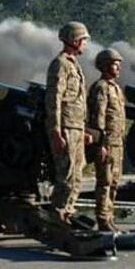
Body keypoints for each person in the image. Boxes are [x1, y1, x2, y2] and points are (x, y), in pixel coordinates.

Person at [44, 21, 90, 224]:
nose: (85, 44)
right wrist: (55, 131)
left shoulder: (74, 65)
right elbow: (54, 99)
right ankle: (58, 214)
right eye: (83, 40)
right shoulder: (60, 64)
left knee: (77, 175)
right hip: (66, 128)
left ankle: (68, 212)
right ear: (74, 40)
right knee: (67, 174)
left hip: (76, 127)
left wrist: (84, 129)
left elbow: (78, 101)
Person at [87, 48, 126, 232]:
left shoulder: (116, 88)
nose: (118, 67)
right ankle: (103, 220)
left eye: (118, 63)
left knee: (114, 183)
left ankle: (109, 218)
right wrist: (100, 145)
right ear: (104, 65)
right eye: (114, 63)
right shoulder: (101, 87)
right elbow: (98, 118)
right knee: (104, 182)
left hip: (117, 143)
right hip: (107, 143)